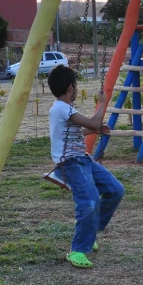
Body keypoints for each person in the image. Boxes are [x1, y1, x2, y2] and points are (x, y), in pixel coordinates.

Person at [47, 65, 125, 269]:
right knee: (89, 200)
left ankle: (89, 233)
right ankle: (78, 250)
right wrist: (102, 103)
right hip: (70, 164)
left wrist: (95, 130)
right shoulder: (62, 108)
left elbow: (76, 133)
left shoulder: (62, 109)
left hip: (83, 159)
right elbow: (93, 122)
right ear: (71, 87)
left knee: (115, 190)